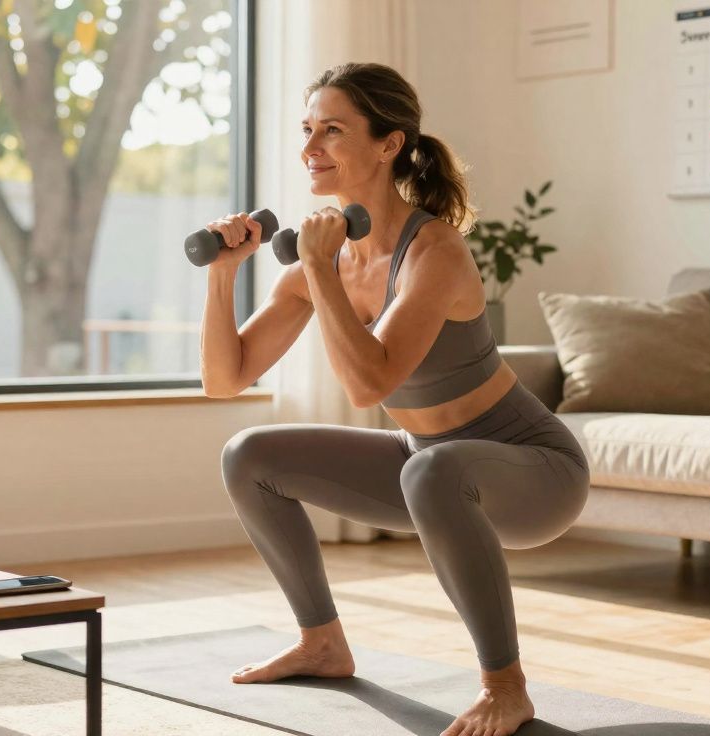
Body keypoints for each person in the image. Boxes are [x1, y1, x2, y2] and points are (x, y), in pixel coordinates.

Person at [198, 61, 589, 736]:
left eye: (333, 130)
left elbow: (366, 385)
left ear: (389, 144)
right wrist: (223, 276)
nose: (310, 148)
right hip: (425, 464)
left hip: (531, 470)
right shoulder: (321, 265)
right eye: (307, 130)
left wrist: (318, 266)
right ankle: (322, 642)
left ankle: (506, 686)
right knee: (249, 454)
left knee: (433, 469)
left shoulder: (434, 251)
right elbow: (224, 380)